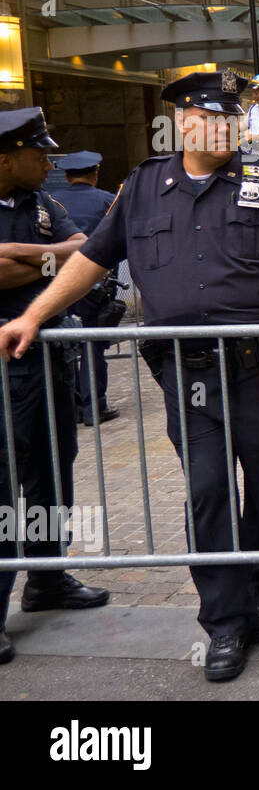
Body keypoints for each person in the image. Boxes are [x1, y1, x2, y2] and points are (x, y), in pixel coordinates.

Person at [0, 70, 259, 682]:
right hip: (188, 371)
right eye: (216, 118)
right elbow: (95, 258)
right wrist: (33, 316)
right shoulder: (145, 187)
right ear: (183, 122)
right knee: (207, 491)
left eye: (234, 118)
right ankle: (224, 624)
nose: (230, 128)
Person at [0, 110, 112, 666]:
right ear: (5, 158)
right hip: (3, 368)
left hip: (48, 364)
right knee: (4, 482)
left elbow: (87, 250)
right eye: (37, 155)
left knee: (52, 471)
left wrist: (25, 258)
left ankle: (46, 578)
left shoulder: (40, 204)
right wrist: (56, 263)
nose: (48, 165)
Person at [55, 150, 122, 426]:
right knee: (92, 343)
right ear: (95, 174)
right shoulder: (106, 200)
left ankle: (68, 403)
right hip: (95, 285)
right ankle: (93, 406)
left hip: (58, 283)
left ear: (67, 176)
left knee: (61, 343)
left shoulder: (51, 202)